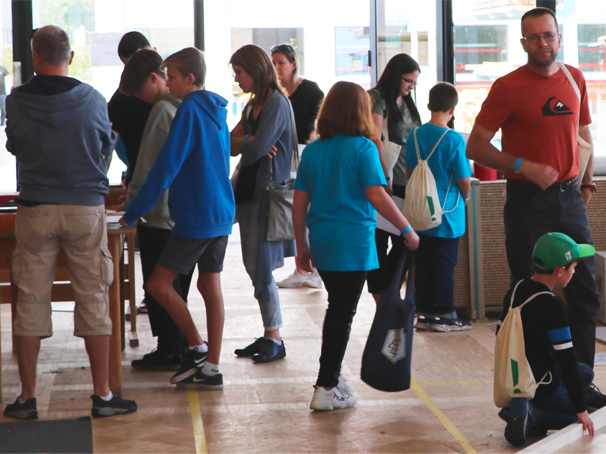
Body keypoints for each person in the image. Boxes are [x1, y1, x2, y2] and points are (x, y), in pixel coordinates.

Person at [466, 6, 606, 408]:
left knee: (583, 293)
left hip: (570, 201)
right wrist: (523, 166)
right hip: (528, 202)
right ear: (523, 42)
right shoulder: (508, 87)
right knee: (528, 296)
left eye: (549, 35)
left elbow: (582, 135)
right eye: (534, 37)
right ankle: (529, 388)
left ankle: (579, 382)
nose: (543, 43)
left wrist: (587, 182)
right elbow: (475, 146)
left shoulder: (574, 78)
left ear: (559, 37)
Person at [3, 25, 137, 420]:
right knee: (94, 297)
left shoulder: (16, 101)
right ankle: (102, 395)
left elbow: (14, 144)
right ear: (71, 57)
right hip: (84, 207)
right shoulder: (92, 98)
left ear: (35, 57)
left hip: (35, 207)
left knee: (30, 298)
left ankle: (27, 398)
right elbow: (103, 145)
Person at [292, 81, 420, 411]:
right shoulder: (363, 149)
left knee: (338, 308)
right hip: (353, 243)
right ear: (361, 111)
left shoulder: (314, 150)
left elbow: (299, 203)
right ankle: (326, 385)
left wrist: (300, 247)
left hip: (322, 242)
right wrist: (407, 228)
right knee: (341, 314)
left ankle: (331, 377)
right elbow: (377, 195)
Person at [120, 47, 234, 390]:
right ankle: (212, 365)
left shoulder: (187, 112)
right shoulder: (217, 111)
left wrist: (133, 213)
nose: (166, 81)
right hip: (221, 212)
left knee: (157, 285)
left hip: (197, 215)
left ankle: (198, 348)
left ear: (190, 78)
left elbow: (164, 168)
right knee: (208, 284)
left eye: (171, 75)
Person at [119, 49, 194, 371]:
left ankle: (171, 348)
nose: (139, 98)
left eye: (139, 90)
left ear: (156, 78)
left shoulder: (163, 109)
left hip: (158, 213)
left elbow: (150, 166)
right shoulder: (189, 106)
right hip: (184, 213)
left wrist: (131, 207)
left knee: (158, 286)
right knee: (178, 287)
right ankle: (181, 346)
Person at [497, 233, 596, 446]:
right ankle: (533, 415)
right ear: (560, 271)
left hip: (516, 372)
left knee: (586, 374)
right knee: (582, 418)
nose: (574, 272)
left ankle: (519, 406)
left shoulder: (517, 288)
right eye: (573, 268)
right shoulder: (553, 307)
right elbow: (567, 361)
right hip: (543, 383)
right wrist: (581, 410)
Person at [230, 44, 295, 363]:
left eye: (239, 72)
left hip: (267, 196)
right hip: (248, 191)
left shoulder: (277, 104)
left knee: (261, 266)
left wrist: (251, 143)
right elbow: (231, 145)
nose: (237, 79)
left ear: (255, 70)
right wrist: (249, 141)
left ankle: (274, 335)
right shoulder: (253, 105)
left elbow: (257, 150)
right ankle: (270, 332)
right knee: (254, 265)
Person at [405, 82, 472, 332]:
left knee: (423, 264)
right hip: (447, 213)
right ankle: (444, 314)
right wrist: (465, 198)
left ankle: (423, 313)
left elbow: (411, 171)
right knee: (444, 264)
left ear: (429, 105)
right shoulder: (454, 139)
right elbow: (464, 180)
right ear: (452, 109)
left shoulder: (414, 135)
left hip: (421, 210)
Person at [367, 53, 422, 304]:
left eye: (414, 83)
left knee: (404, 242)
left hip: (407, 180)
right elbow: (374, 137)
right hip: (386, 179)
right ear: (395, 76)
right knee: (379, 241)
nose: (411, 87)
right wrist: (382, 174)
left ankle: (388, 293)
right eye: (408, 81)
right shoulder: (377, 98)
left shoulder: (407, 101)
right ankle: (382, 296)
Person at [107, 31, 155, 315]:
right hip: (140, 175)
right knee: (149, 245)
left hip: (152, 178)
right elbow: (110, 143)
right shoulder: (122, 99)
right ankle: (154, 297)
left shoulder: (172, 94)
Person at [270, 43, 324, 290]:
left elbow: (324, 116)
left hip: (306, 154)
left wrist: (316, 135)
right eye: (274, 63)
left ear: (293, 64)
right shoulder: (273, 92)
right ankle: (302, 267)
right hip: (282, 157)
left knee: (307, 211)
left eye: (281, 62)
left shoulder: (309, 89)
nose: (277, 67)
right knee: (293, 212)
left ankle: (311, 269)